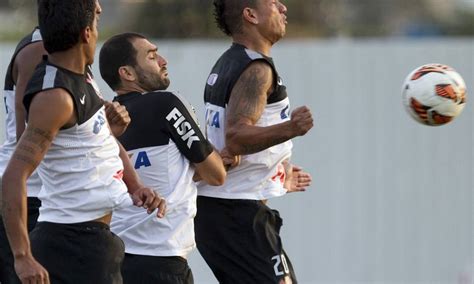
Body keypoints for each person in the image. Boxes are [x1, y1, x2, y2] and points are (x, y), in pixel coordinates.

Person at [1, 1, 165, 283]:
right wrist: (22, 257)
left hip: (93, 241)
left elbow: (101, 139)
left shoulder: (81, 75)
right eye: (96, 18)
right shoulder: (56, 95)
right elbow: (14, 175)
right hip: (71, 243)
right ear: (86, 33)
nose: (100, 11)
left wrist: (134, 185)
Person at [195, 0, 314, 283]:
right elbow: (235, 138)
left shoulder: (229, 61)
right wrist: (292, 128)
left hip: (224, 211)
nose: (283, 8)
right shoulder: (256, 69)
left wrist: (272, 171)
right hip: (235, 214)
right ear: (250, 15)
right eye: (273, 3)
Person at [99, 32, 227, 284]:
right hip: (160, 260)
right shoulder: (165, 104)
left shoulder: (105, 123)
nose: (163, 60)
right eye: (152, 55)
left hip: (113, 259)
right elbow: (216, 174)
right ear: (128, 73)